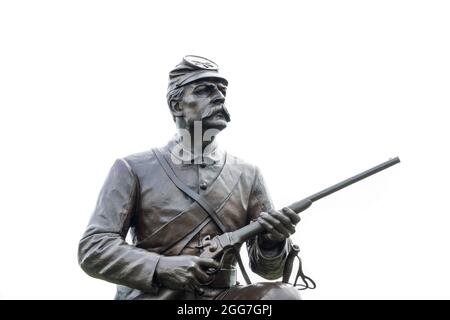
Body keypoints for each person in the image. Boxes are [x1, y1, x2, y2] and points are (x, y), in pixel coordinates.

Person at [78, 55, 305, 300]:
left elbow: (268, 271)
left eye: (221, 91)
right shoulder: (132, 168)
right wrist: (161, 267)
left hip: (223, 298)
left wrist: (273, 241)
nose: (219, 97)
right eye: (205, 90)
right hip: (154, 296)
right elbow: (94, 248)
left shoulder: (248, 175)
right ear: (177, 105)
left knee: (280, 297)